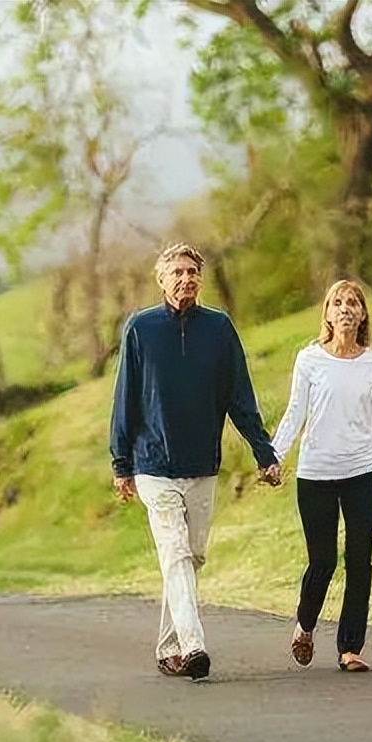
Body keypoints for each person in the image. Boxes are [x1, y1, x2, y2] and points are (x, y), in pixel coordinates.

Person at [110, 242, 281, 681]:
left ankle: (168, 646)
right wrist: (121, 463)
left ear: (200, 279)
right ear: (161, 279)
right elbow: (125, 397)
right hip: (153, 465)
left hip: (202, 464)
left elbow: (239, 397)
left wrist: (264, 453)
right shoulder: (140, 329)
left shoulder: (219, 329)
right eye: (177, 272)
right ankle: (193, 645)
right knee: (176, 552)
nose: (186, 279)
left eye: (192, 272)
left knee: (191, 558)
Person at [270, 279, 372, 672]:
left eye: (353, 303)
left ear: (362, 315)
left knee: (360, 560)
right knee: (322, 561)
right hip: (316, 474)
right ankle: (305, 626)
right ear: (326, 314)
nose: (345, 308)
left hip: (362, 471)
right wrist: (273, 456)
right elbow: (295, 413)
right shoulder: (309, 360)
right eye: (337, 303)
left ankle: (350, 648)